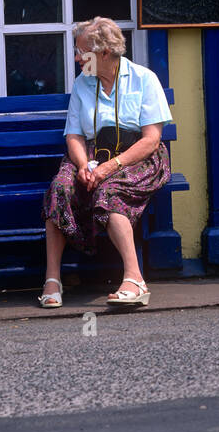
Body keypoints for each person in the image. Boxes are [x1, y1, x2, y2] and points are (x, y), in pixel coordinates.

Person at [41, 17, 173, 308]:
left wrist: (108, 168)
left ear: (103, 53)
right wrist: (83, 166)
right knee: (60, 188)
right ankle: (52, 279)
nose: (76, 58)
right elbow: (74, 135)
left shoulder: (143, 78)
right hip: (90, 156)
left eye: (81, 52)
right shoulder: (82, 83)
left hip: (137, 156)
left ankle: (135, 278)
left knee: (109, 192)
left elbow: (151, 140)